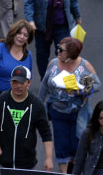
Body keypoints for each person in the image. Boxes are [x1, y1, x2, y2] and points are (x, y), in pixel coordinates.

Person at [40, 37, 100, 173]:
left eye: (61, 50)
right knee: (61, 148)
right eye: (58, 47)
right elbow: (44, 84)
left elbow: (97, 85)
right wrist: (39, 105)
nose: (57, 51)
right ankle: (64, 173)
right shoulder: (53, 63)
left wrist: (82, 90)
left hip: (78, 113)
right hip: (58, 112)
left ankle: (74, 170)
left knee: (77, 146)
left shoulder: (84, 66)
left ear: (71, 53)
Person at [25, 0, 82, 80]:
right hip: (42, 28)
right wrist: (30, 21)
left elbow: (73, 0)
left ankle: (63, 81)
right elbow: (28, 4)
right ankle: (46, 80)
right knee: (42, 55)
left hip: (62, 26)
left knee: (65, 54)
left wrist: (77, 17)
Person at [0, 66, 54, 172]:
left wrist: (49, 158)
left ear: (28, 83)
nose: (18, 86)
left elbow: (46, 134)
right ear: (10, 82)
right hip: (3, 164)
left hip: (27, 165)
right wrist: (0, 154)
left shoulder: (36, 104)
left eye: (22, 83)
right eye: (15, 82)